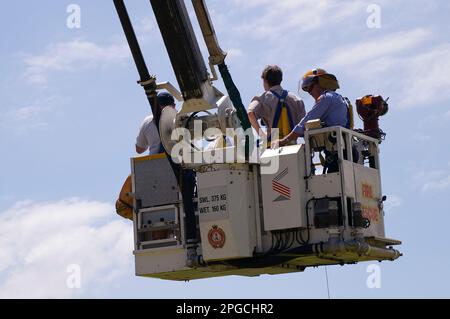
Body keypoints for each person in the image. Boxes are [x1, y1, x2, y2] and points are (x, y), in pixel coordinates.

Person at [275, 69, 353, 173]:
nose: (310, 93)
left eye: (309, 88)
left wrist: (285, 140)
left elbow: (305, 122)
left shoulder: (325, 98)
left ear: (319, 83)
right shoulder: (338, 98)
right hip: (346, 151)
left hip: (338, 153)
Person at [248, 65, 305, 144]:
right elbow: (305, 127)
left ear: (265, 81)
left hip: (272, 149)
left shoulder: (262, 98)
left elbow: (250, 113)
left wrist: (262, 135)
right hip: (292, 147)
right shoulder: (297, 100)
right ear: (281, 80)